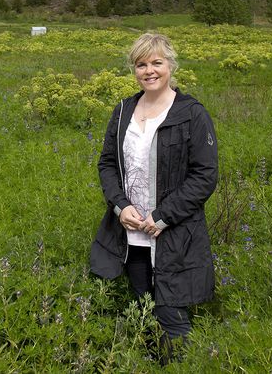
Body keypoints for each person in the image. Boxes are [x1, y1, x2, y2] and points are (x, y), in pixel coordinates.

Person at [90, 32, 218, 363]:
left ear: (170, 66)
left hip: (173, 235)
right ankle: (151, 363)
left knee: (171, 316)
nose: (149, 71)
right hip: (132, 234)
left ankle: (178, 367)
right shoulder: (123, 111)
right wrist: (121, 206)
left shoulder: (191, 113)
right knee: (142, 307)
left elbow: (204, 176)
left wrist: (163, 216)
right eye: (141, 64)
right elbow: (107, 164)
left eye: (156, 63)